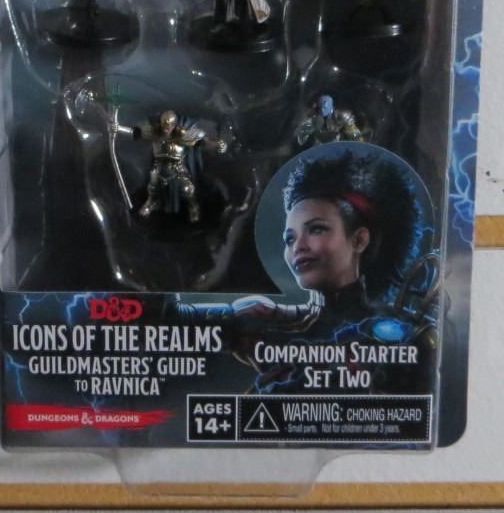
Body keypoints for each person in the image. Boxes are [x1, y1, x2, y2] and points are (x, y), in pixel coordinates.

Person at [177, 150, 437, 395]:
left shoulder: (403, 332)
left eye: (316, 229)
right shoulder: (274, 325)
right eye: (289, 239)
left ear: (359, 240)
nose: (298, 246)